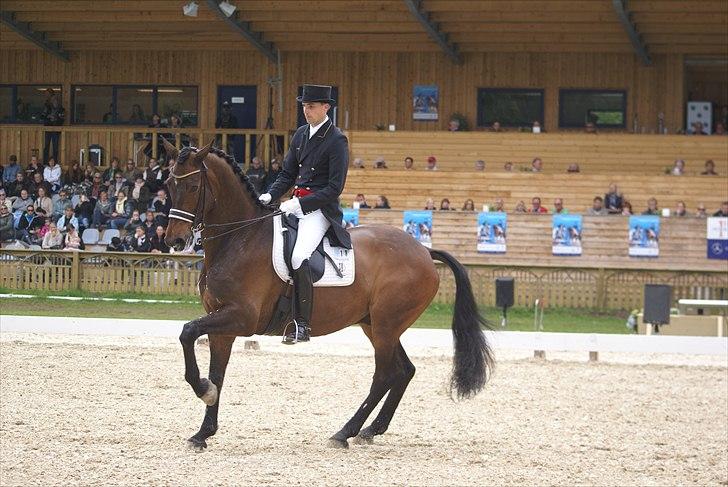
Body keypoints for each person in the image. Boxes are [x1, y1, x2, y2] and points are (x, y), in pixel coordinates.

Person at [258, 84, 350, 344]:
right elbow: (287, 174)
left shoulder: (337, 140)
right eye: (304, 107)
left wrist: (302, 205)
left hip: (319, 211)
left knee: (299, 257)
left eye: (311, 107)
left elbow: (334, 188)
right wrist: (270, 195)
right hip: (293, 204)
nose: (306, 111)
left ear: (325, 108)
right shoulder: (300, 134)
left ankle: (302, 325)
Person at [42, 95, 65, 163]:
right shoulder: (47, 108)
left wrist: (56, 118)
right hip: (48, 129)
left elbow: (62, 119)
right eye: (54, 100)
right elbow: (42, 117)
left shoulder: (61, 109)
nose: (55, 101)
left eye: (57, 100)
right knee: (46, 146)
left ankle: (55, 161)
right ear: (52, 101)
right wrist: (49, 117)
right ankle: (45, 161)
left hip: (56, 130)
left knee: (55, 147)